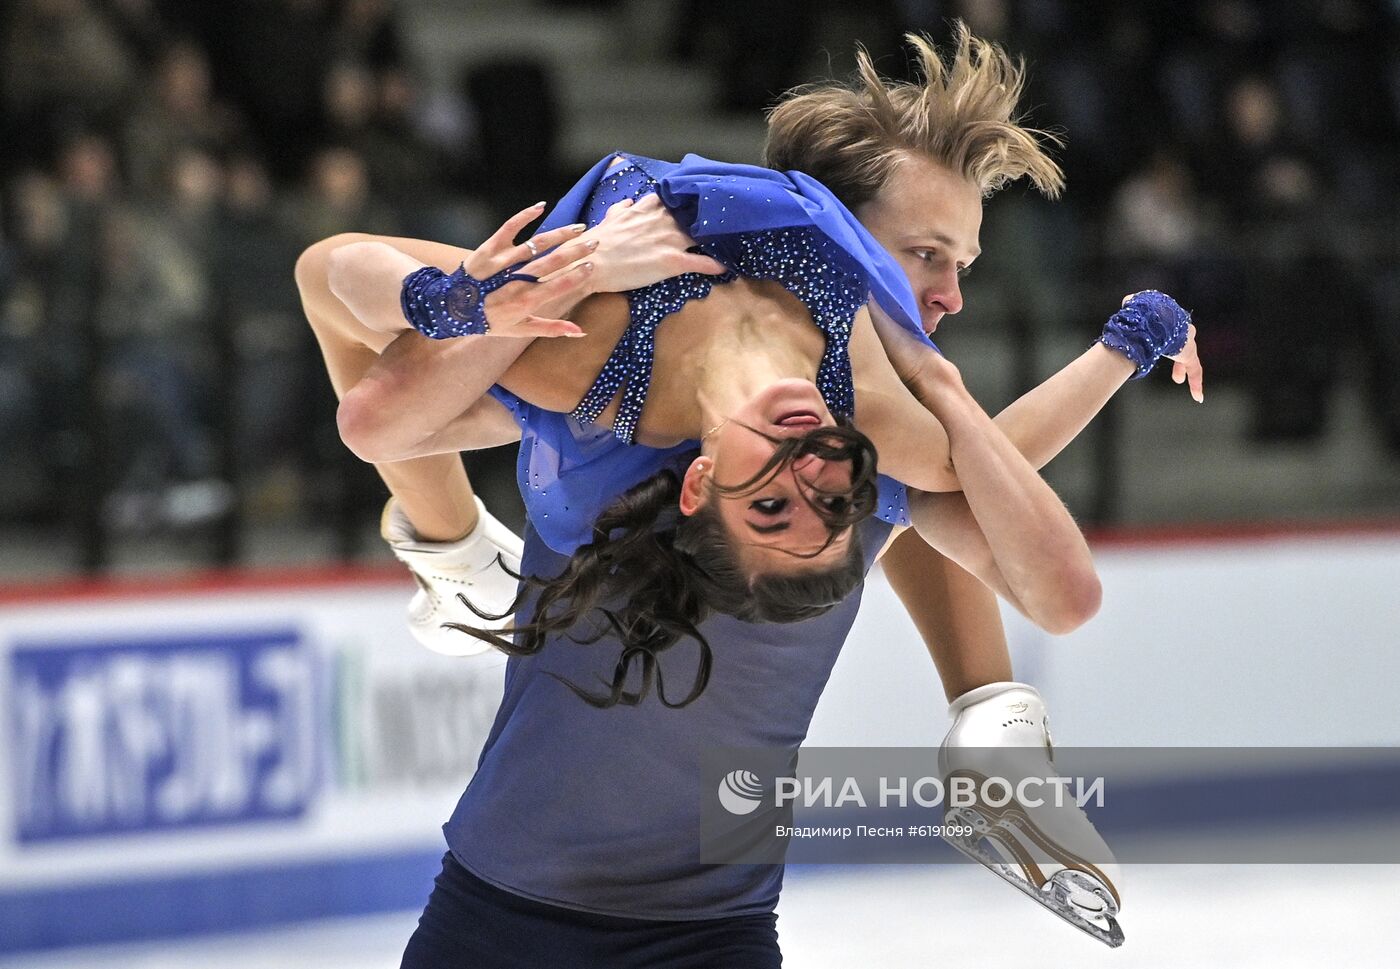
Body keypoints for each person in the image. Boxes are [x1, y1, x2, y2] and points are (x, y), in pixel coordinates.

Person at [295, 25, 1198, 960]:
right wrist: (501, 297)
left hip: (706, 925)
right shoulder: (697, 345)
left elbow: (981, 491)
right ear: (846, 230)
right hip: (517, 904)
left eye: (963, 264)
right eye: (927, 255)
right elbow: (340, 306)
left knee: (906, 482)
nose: (949, 294)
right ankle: (450, 553)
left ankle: (987, 711)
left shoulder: (828, 423)